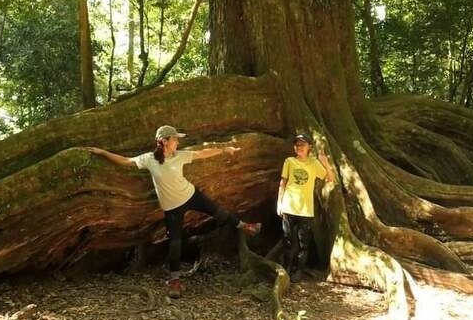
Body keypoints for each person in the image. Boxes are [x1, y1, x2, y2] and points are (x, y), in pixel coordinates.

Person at [85, 125, 261, 298]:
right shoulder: (149, 159)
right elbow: (126, 161)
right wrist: (103, 153)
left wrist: (224, 149)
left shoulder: (180, 156)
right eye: (175, 139)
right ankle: (175, 281)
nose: (177, 142)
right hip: (172, 208)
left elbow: (201, 154)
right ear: (164, 141)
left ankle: (245, 226)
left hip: (191, 195)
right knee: (175, 243)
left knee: (218, 211)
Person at [276, 133, 334, 277]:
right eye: (297, 144)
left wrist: (325, 163)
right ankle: (286, 270)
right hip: (289, 207)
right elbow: (283, 183)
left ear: (309, 147)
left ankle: (298, 271)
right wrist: (279, 203)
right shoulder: (289, 161)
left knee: (304, 243)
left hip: (306, 210)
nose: (299, 147)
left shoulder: (314, 163)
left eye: (303, 144)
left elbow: (330, 179)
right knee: (287, 240)